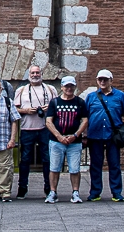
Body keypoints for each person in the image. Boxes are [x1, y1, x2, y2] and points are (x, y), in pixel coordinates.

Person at [84, 68, 124, 202]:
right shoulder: (91, 97)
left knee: (114, 164)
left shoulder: (120, 95)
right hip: (95, 134)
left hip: (113, 134)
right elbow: (86, 117)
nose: (102, 82)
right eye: (100, 79)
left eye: (105, 79)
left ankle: (116, 192)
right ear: (97, 81)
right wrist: (84, 134)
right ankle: (95, 192)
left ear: (111, 80)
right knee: (95, 165)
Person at [14, 62, 57, 199]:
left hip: (46, 129)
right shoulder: (21, 90)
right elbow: (14, 110)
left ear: (42, 74)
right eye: (32, 73)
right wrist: (26, 110)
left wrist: (49, 108)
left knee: (47, 159)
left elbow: (57, 106)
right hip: (27, 128)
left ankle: (49, 188)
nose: (35, 75)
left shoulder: (50, 89)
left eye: (37, 72)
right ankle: (22, 188)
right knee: (25, 159)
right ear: (29, 75)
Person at [43, 75, 87, 204]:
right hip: (56, 141)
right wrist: (59, 136)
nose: (69, 88)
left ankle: (75, 192)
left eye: (71, 86)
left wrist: (75, 135)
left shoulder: (80, 102)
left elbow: (85, 120)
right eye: (66, 86)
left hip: (75, 142)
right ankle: (53, 192)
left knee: (74, 168)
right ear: (62, 87)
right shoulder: (55, 102)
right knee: (54, 168)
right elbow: (49, 121)